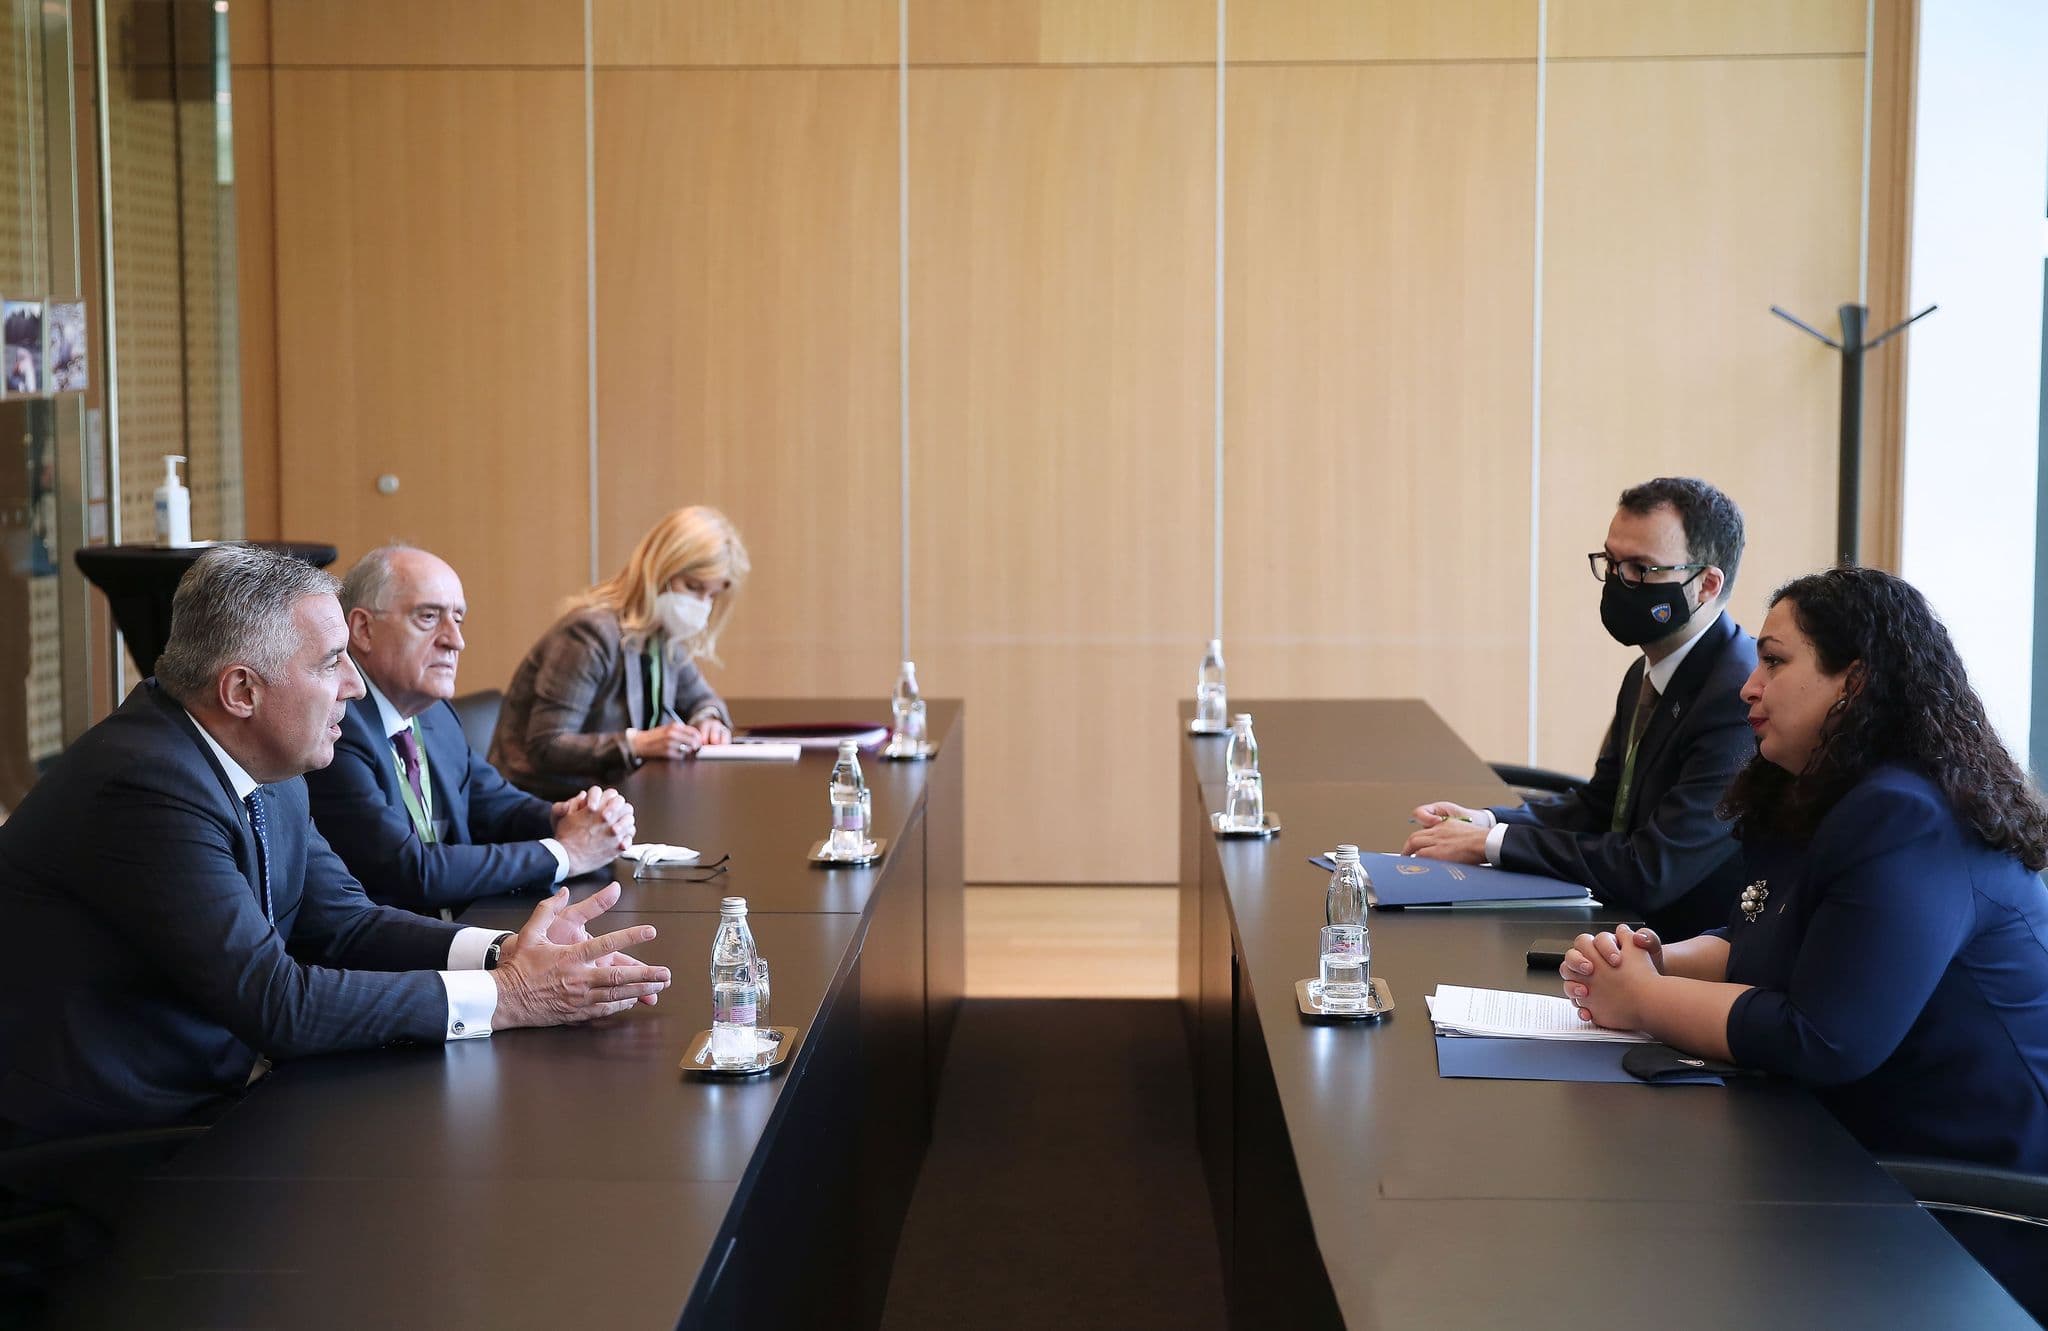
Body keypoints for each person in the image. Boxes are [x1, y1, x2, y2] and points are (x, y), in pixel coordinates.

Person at [0, 545, 671, 1141]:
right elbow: (277, 1003)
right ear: (242, 690)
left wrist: (506, 952)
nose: (354, 684)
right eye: (331, 663)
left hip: (222, 1093)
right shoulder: (147, 785)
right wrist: (509, 995)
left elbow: (345, 923)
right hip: (116, 1133)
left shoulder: (264, 754)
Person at [1560, 567, 2048, 1172]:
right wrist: (1654, 960)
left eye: (1773, 662)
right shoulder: (1825, 789)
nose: (1749, 686)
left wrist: (1643, 998)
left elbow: (1823, 1038)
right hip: (1853, 1139)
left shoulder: (1907, 815)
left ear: (1854, 682)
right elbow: (1771, 935)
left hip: (1965, 1185)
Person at [1404, 477, 1755, 939]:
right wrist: (1488, 821)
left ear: (1707, 584)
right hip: (1617, 926)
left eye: (1641, 569)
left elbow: (1653, 869)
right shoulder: (1646, 671)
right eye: (1611, 562)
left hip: (1684, 950)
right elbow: (1600, 808)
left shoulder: (1738, 698)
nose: (1619, 582)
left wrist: (1490, 844)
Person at [304, 545, 635, 916]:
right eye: (429, 617)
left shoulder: (435, 713)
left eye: (458, 619)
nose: (455, 640)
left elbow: (491, 802)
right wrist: (566, 853)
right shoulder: (336, 726)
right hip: (389, 942)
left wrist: (563, 817)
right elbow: (408, 869)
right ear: (364, 629)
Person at [492, 505, 749, 799]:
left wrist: (708, 720)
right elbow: (546, 745)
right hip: (542, 804)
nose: (701, 604)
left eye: (712, 595)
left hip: (612, 799)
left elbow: (703, 699)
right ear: (659, 570)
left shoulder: (661, 634)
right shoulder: (590, 634)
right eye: (693, 586)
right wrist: (637, 743)